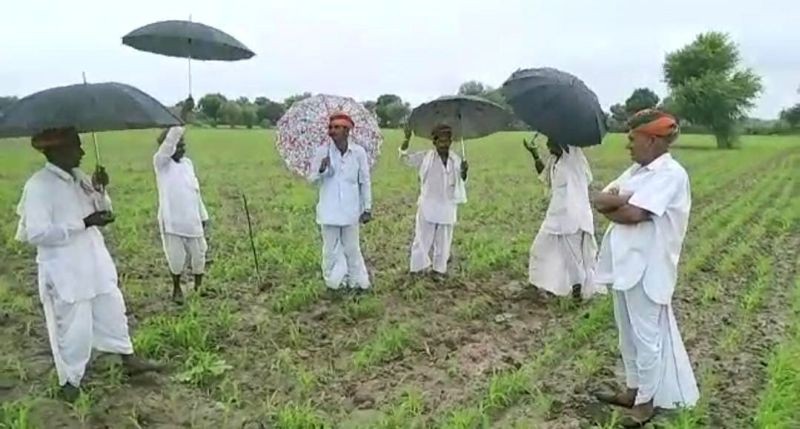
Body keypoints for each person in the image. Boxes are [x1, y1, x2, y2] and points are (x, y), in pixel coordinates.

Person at [15, 127, 161, 401]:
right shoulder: (38, 186)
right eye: (75, 147)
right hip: (65, 269)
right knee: (72, 326)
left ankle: (127, 358)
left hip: (93, 260)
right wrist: (82, 224)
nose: (82, 152)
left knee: (112, 309)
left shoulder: (79, 178)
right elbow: (36, 233)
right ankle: (69, 382)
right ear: (55, 151)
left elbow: (102, 209)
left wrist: (100, 188)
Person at [591, 109, 699, 427]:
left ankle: (646, 402)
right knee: (628, 334)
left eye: (632, 139)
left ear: (651, 140)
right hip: (626, 264)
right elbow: (600, 200)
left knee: (647, 336)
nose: (628, 146)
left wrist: (620, 203)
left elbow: (632, 215)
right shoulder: (637, 172)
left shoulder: (670, 174)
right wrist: (621, 201)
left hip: (649, 267)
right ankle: (634, 389)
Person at [524, 135, 603, 300]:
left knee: (573, 258)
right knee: (539, 248)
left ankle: (577, 291)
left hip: (572, 216)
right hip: (555, 215)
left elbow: (583, 182)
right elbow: (545, 176)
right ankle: (543, 283)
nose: (547, 144)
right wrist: (535, 154)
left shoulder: (573, 163)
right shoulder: (555, 162)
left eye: (551, 141)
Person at [309, 112, 372, 292]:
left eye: (337, 127)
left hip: (351, 210)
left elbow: (364, 181)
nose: (332, 131)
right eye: (330, 127)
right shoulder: (323, 151)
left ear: (347, 130)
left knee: (352, 248)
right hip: (328, 211)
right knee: (330, 250)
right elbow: (312, 179)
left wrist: (367, 207)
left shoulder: (358, 153)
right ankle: (335, 284)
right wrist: (322, 168)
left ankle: (357, 283)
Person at [399, 124, 468, 278]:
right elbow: (404, 159)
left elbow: (461, 181)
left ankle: (439, 270)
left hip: (448, 204)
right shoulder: (426, 157)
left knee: (444, 241)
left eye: (447, 141)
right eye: (441, 141)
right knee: (422, 238)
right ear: (434, 142)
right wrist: (406, 139)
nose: (445, 144)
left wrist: (464, 172)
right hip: (428, 204)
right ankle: (417, 269)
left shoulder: (456, 159)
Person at [154, 126, 209, 304]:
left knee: (200, 254)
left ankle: (199, 287)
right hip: (172, 222)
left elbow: (195, 191)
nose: (182, 149)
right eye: (179, 144)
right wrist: (180, 122)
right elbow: (169, 144)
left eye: (184, 145)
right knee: (176, 258)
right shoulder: (161, 163)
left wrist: (203, 216)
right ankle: (176, 288)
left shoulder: (187, 164)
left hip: (193, 220)